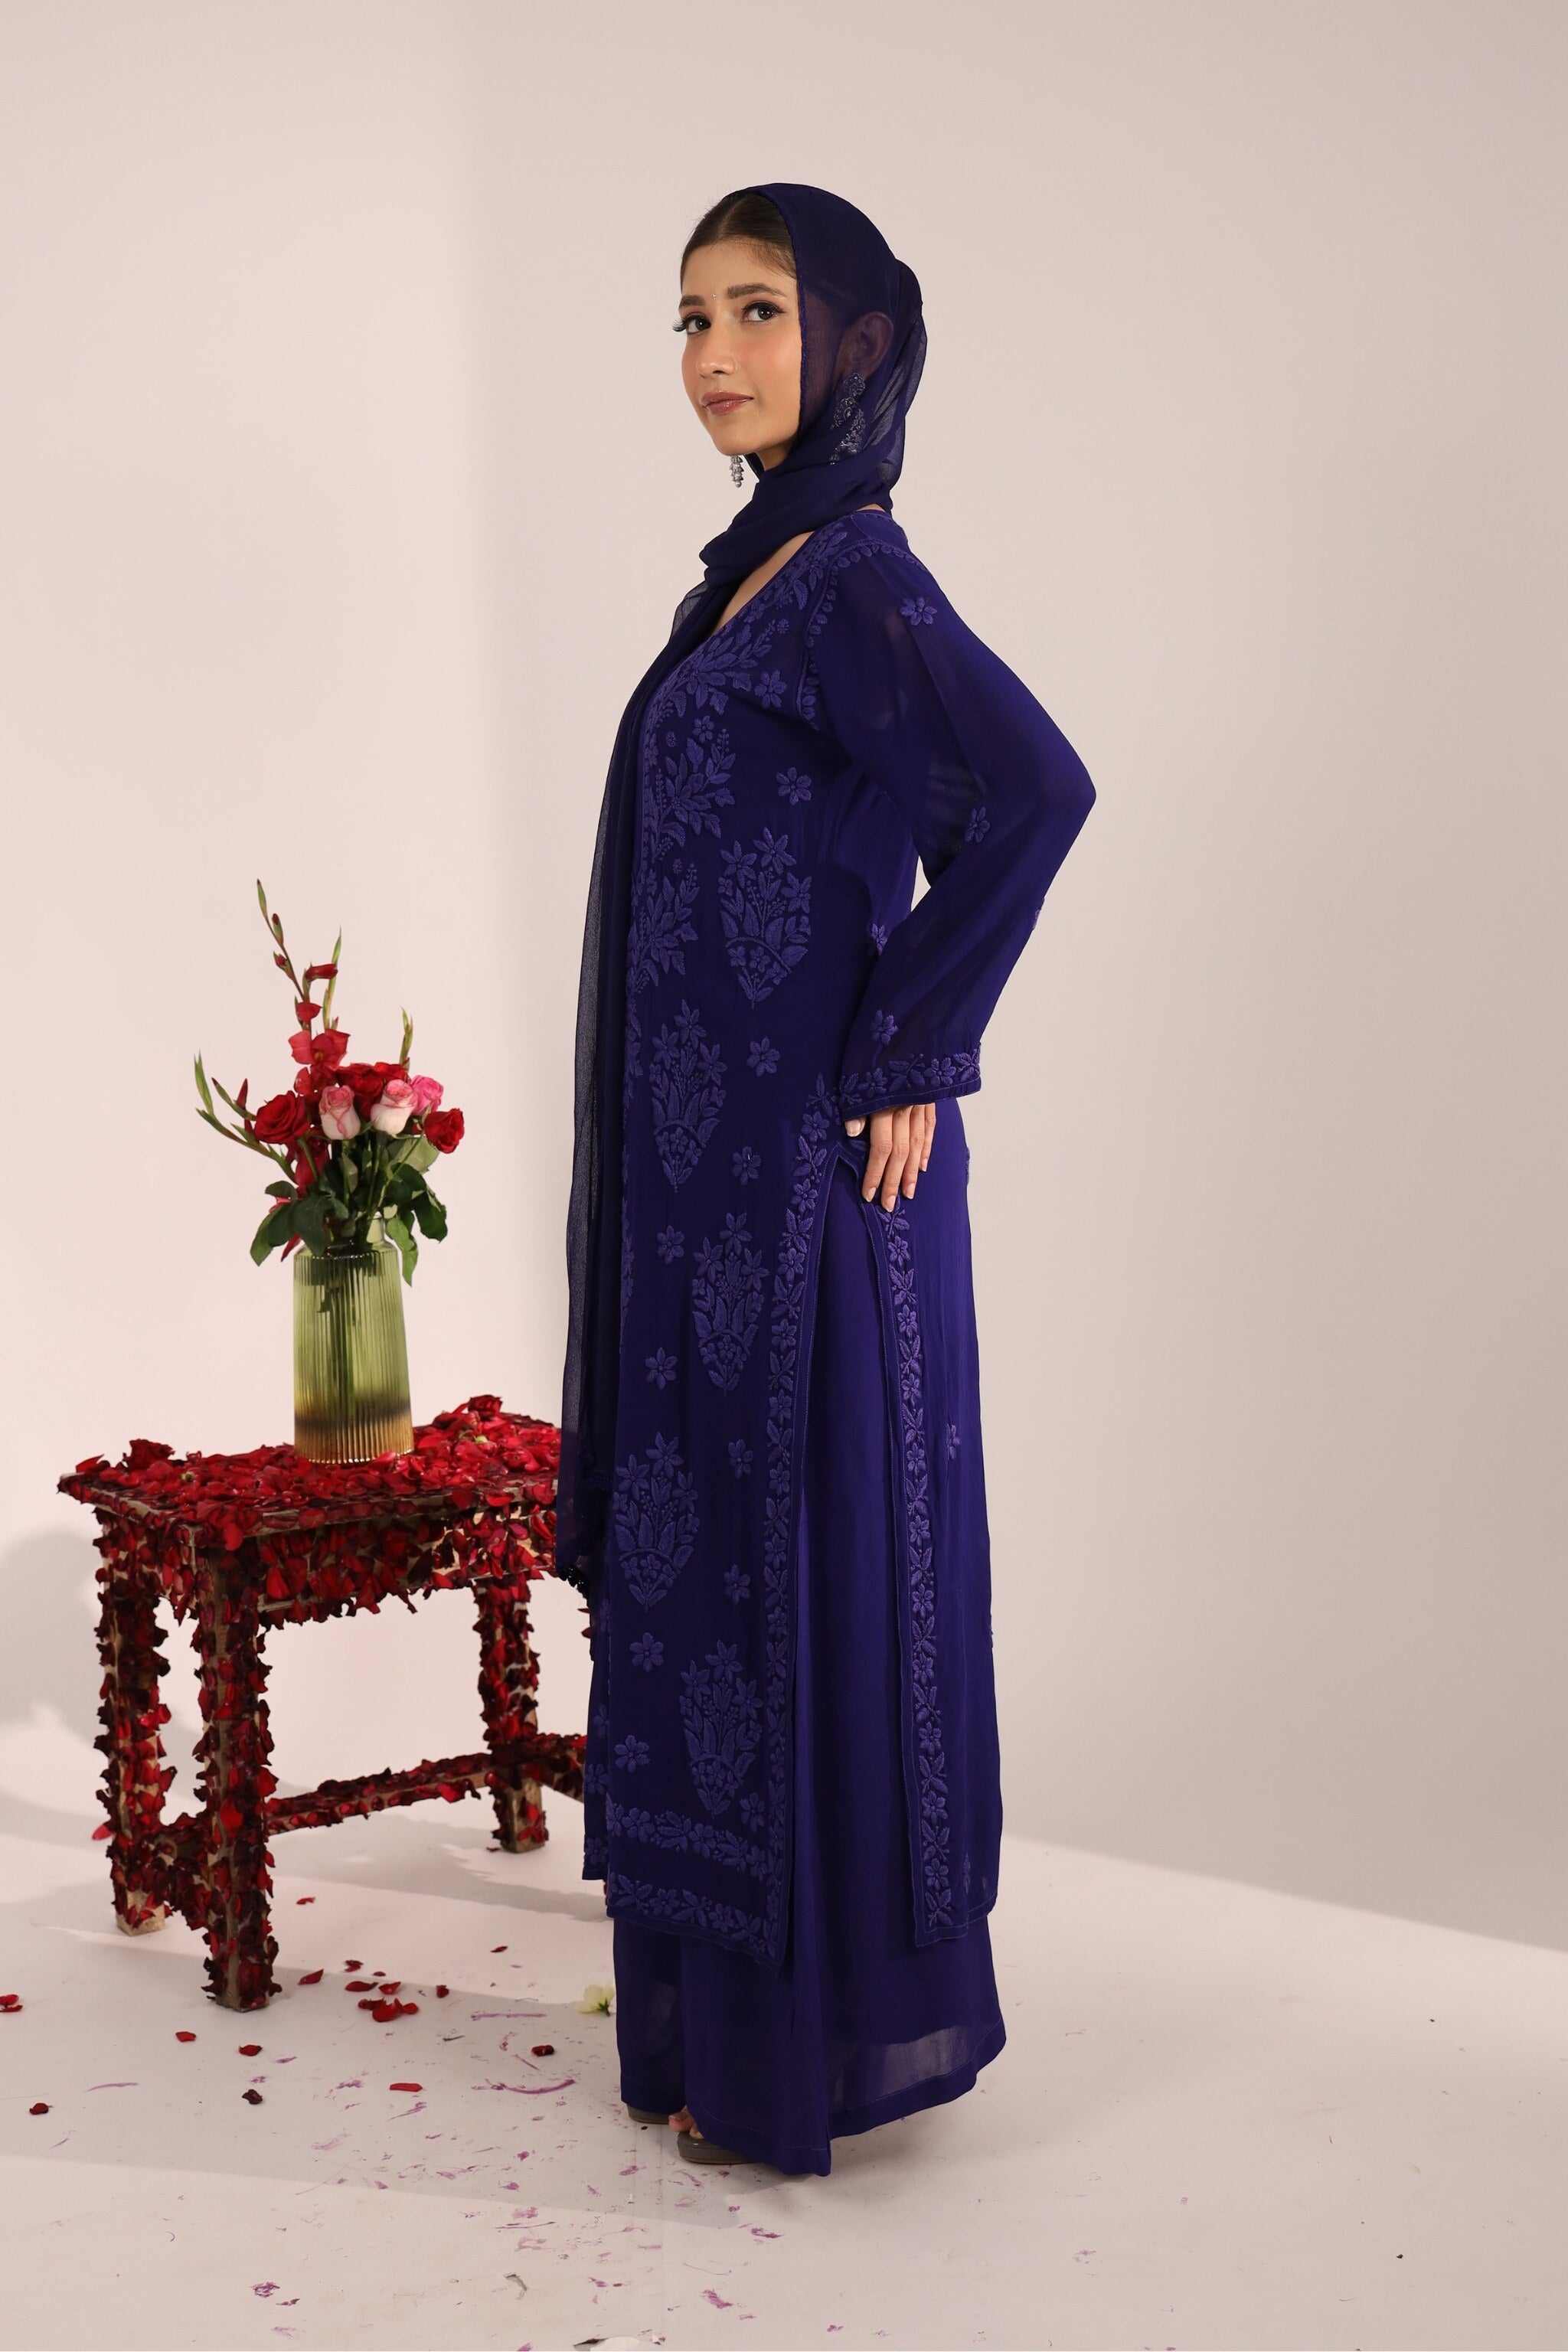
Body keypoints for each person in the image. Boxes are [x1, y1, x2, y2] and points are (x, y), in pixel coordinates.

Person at [556, 181, 1097, 2175]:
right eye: (691, 316)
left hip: (812, 1190)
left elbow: (1032, 790)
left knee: (803, 1567)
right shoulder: (750, 579)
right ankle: (713, 2033)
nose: (715, 352)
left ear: (853, 339)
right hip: (705, 1189)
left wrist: (914, 1042)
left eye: (759, 310)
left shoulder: (857, 573)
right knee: (711, 1570)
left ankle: (804, 2046)